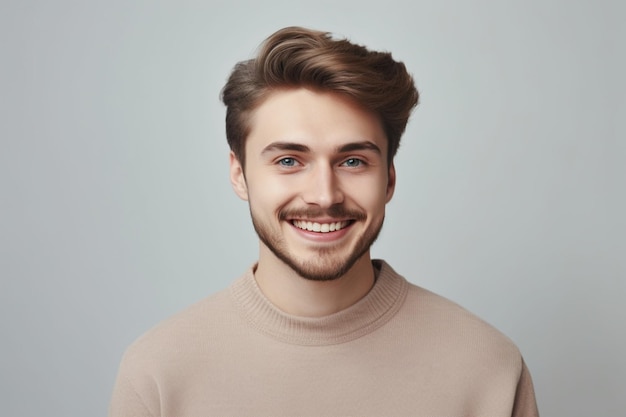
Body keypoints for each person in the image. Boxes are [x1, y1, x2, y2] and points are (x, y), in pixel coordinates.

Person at [109, 26, 539, 416]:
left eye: (353, 160)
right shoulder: (159, 375)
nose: (324, 195)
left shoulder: (487, 367)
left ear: (388, 178)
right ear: (239, 174)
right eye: (289, 160)